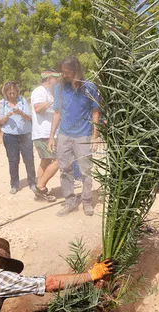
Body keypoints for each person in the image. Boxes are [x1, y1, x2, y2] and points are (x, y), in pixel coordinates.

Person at [48, 56, 100, 217]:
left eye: (68, 72)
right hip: (64, 135)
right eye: (62, 72)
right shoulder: (60, 88)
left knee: (85, 170)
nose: (64, 75)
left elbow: (95, 112)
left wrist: (94, 136)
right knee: (64, 170)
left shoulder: (89, 88)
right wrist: (51, 137)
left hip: (83, 136)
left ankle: (86, 202)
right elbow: (57, 113)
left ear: (76, 71)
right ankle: (70, 202)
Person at [0, 81, 36, 195]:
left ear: (17, 92)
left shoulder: (23, 101)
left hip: (25, 134)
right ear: (6, 93)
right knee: (13, 161)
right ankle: (14, 184)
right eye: (9, 93)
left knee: (29, 159)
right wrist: (7, 116)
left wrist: (20, 112)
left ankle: (32, 182)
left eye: (14, 93)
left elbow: (29, 117)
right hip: (9, 136)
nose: (12, 95)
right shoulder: (3, 103)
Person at [30, 70, 60, 202]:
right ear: (49, 79)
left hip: (47, 134)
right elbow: (37, 108)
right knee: (60, 159)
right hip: (43, 134)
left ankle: (39, 190)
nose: (58, 80)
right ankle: (40, 187)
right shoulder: (39, 91)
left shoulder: (48, 92)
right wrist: (52, 101)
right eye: (56, 78)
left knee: (45, 161)